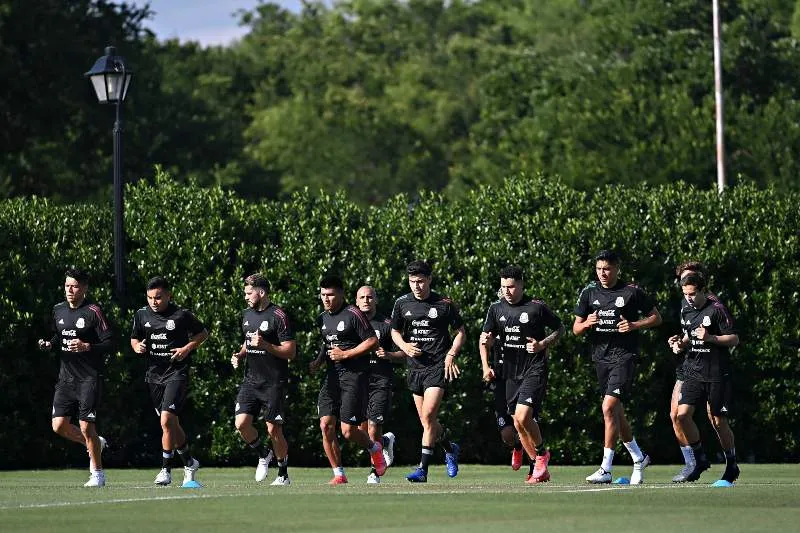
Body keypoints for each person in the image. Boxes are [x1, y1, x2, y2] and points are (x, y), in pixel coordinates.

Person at [573, 250, 662, 484]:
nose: (603, 273)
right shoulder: (589, 292)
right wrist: (587, 324)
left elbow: (656, 318)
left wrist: (634, 324)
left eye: (608, 269)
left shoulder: (631, 291)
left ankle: (606, 468)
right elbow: (575, 328)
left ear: (617, 269)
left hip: (624, 356)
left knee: (608, 406)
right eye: (599, 268)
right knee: (615, 412)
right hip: (600, 358)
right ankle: (638, 457)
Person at [480, 266, 564, 484]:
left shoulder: (536, 307)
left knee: (524, 415)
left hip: (534, 368)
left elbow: (559, 328)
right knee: (517, 423)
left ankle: (542, 454)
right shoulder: (495, 308)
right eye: (503, 286)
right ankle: (539, 467)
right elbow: (485, 338)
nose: (507, 291)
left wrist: (542, 344)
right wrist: (487, 358)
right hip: (509, 373)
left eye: (511, 286)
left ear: (521, 284)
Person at [391, 260, 466, 483]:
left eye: (421, 281)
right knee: (427, 423)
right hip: (415, 368)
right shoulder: (402, 303)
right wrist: (404, 346)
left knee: (428, 415)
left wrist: (451, 354)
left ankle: (422, 470)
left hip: (437, 366)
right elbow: (395, 331)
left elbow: (461, 331)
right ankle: (450, 447)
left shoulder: (444, 303)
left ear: (430, 280)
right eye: (413, 282)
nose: (417, 286)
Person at [38, 267, 113, 487]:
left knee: (86, 426)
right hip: (66, 378)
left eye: (75, 286)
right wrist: (50, 343)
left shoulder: (93, 311)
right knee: (59, 426)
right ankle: (95, 444)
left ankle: (98, 475)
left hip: (89, 378)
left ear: (84, 288)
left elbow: (109, 342)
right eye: (67, 285)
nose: (70, 290)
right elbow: (58, 333)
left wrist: (86, 346)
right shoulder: (58, 310)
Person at [131, 276, 208, 486]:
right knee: (171, 423)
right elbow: (135, 337)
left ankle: (165, 470)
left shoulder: (181, 315)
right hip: (154, 376)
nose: (153, 302)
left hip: (176, 373)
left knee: (165, 421)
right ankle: (189, 462)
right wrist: (136, 346)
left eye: (157, 298)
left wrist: (186, 348)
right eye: (149, 298)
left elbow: (203, 334)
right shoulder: (141, 314)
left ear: (168, 295)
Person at [309, 274, 387, 485]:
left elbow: (372, 341)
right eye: (323, 294)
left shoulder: (353, 314)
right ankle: (339, 474)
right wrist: (317, 362)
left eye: (331, 294)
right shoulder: (322, 318)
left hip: (354, 377)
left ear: (342, 294)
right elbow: (327, 345)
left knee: (348, 431)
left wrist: (346, 354)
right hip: (332, 377)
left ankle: (375, 448)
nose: (326, 299)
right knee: (326, 425)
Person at [669, 272, 740, 483]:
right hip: (692, 370)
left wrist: (711, 338)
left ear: (702, 290)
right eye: (685, 294)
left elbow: (734, 338)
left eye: (692, 293)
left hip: (716, 372)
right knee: (681, 416)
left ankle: (732, 464)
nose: (689, 298)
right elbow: (688, 335)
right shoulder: (685, 307)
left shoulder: (716, 309)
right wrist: (679, 343)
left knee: (718, 420)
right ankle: (699, 459)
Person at [231, 274, 296, 485]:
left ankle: (283, 474)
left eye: (249, 293)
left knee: (273, 428)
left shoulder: (279, 315)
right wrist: (240, 355)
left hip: (273, 382)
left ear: (261, 292)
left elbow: (291, 352)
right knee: (241, 424)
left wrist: (266, 345)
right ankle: (263, 453)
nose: (246, 297)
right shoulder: (246, 314)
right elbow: (248, 339)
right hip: (251, 380)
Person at [355, 285, 406, 484]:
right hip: (357, 382)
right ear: (356, 301)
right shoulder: (351, 322)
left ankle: (374, 472)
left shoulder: (388, 324)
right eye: (362, 297)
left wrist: (389, 355)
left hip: (380, 381)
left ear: (376, 300)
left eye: (370, 297)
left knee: (373, 427)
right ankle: (385, 441)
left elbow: (405, 352)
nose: (366, 300)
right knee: (360, 432)